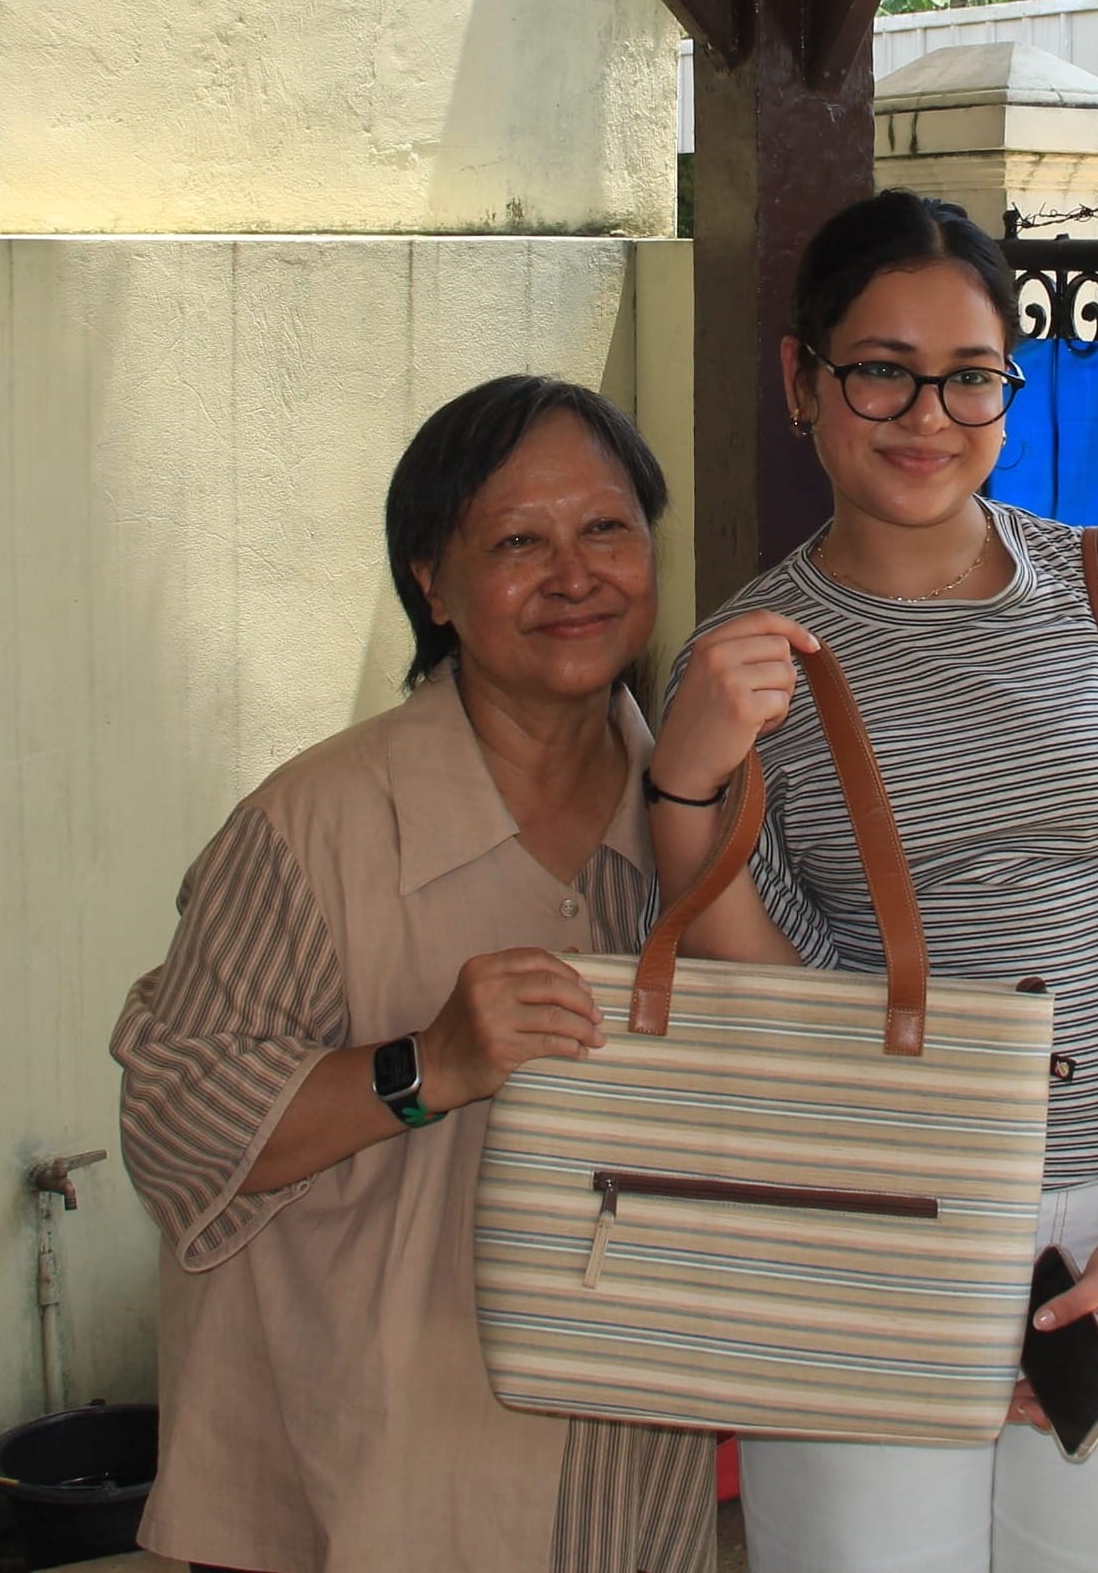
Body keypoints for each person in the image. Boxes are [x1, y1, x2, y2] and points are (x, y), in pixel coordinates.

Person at [649, 192, 1098, 1572]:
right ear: (801, 379)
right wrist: (681, 788)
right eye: (879, 368)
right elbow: (772, 987)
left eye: (968, 375)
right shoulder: (744, 662)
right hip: (871, 1221)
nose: (927, 413)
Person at [111, 375, 714, 1573]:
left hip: (623, 1481)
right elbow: (170, 1122)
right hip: (358, 1488)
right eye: (516, 543)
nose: (575, 575)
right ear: (431, 583)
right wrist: (421, 1065)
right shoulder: (310, 827)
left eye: (606, 528)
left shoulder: (702, 822)